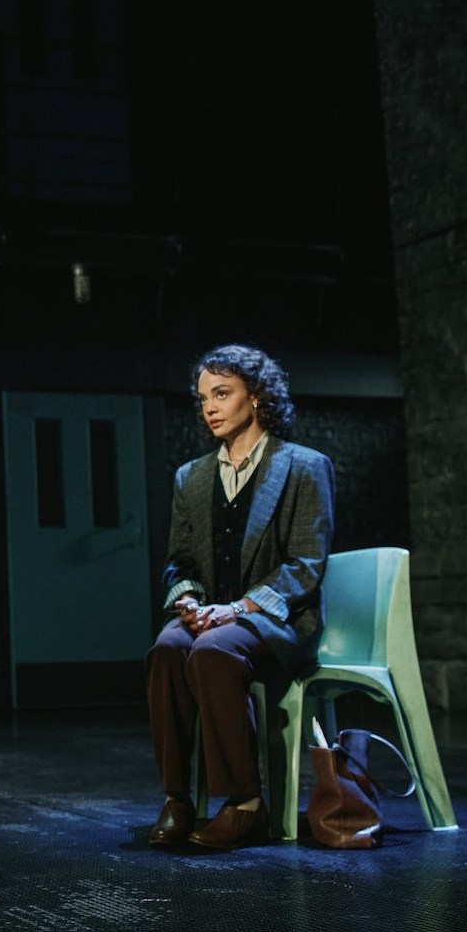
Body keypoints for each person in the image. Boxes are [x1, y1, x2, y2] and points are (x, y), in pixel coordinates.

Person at [146, 344, 335, 850]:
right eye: (203, 397)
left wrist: (238, 608)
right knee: (167, 646)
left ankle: (246, 804)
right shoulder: (192, 476)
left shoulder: (303, 467)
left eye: (222, 394)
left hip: (277, 620)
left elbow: (305, 565)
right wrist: (187, 600)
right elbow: (179, 562)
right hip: (212, 614)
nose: (210, 407)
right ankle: (177, 798)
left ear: (256, 397)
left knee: (213, 649)